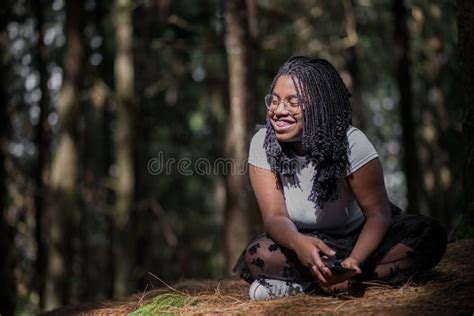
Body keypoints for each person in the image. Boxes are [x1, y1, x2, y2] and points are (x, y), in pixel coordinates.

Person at [232, 56, 448, 300]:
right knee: (258, 253)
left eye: (294, 103)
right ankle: (342, 282)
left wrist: (354, 259)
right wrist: (298, 243)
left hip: (362, 237)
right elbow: (275, 217)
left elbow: (378, 215)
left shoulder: (352, 143)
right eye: (275, 100)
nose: (279, 111)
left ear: (321, 106)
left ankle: (321, 282)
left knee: (429, 236)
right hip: (306, 241)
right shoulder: (263, 144)